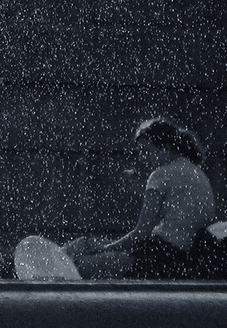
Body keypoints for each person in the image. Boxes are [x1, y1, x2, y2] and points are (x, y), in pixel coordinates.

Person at [66, 117, 216, 279]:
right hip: (178, 259)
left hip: (155, 258)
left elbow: (141, 233)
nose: (143, 157)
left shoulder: (160, 174)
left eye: (146, 151)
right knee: (85, 243)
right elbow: (179, 214)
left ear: (164, 149)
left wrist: (107, 248)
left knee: (76, 263)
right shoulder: (196, 172)